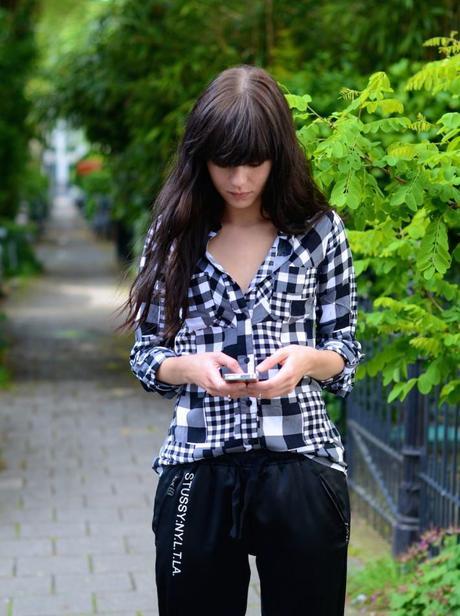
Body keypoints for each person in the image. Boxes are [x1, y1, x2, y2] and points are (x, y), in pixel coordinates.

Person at [123, 64, 365, 616]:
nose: (239, 179)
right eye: (223, 162)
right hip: (198, 464)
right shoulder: (174, 232)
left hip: (300, 461)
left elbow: (345, 352)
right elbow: (146, 357)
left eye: (254, 162)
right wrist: (192, 368)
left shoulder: (320, 232)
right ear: (200, 157)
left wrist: (306, 360)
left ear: (277, 155)